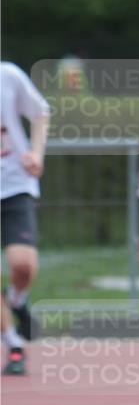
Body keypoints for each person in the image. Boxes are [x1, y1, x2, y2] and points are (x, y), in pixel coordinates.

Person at [1, 62, 50, 375]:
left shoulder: (7, 75)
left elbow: (41, 112)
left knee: (23, 266)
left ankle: (16, 300)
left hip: (14, 184)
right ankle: (14, 344)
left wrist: (36, 154)